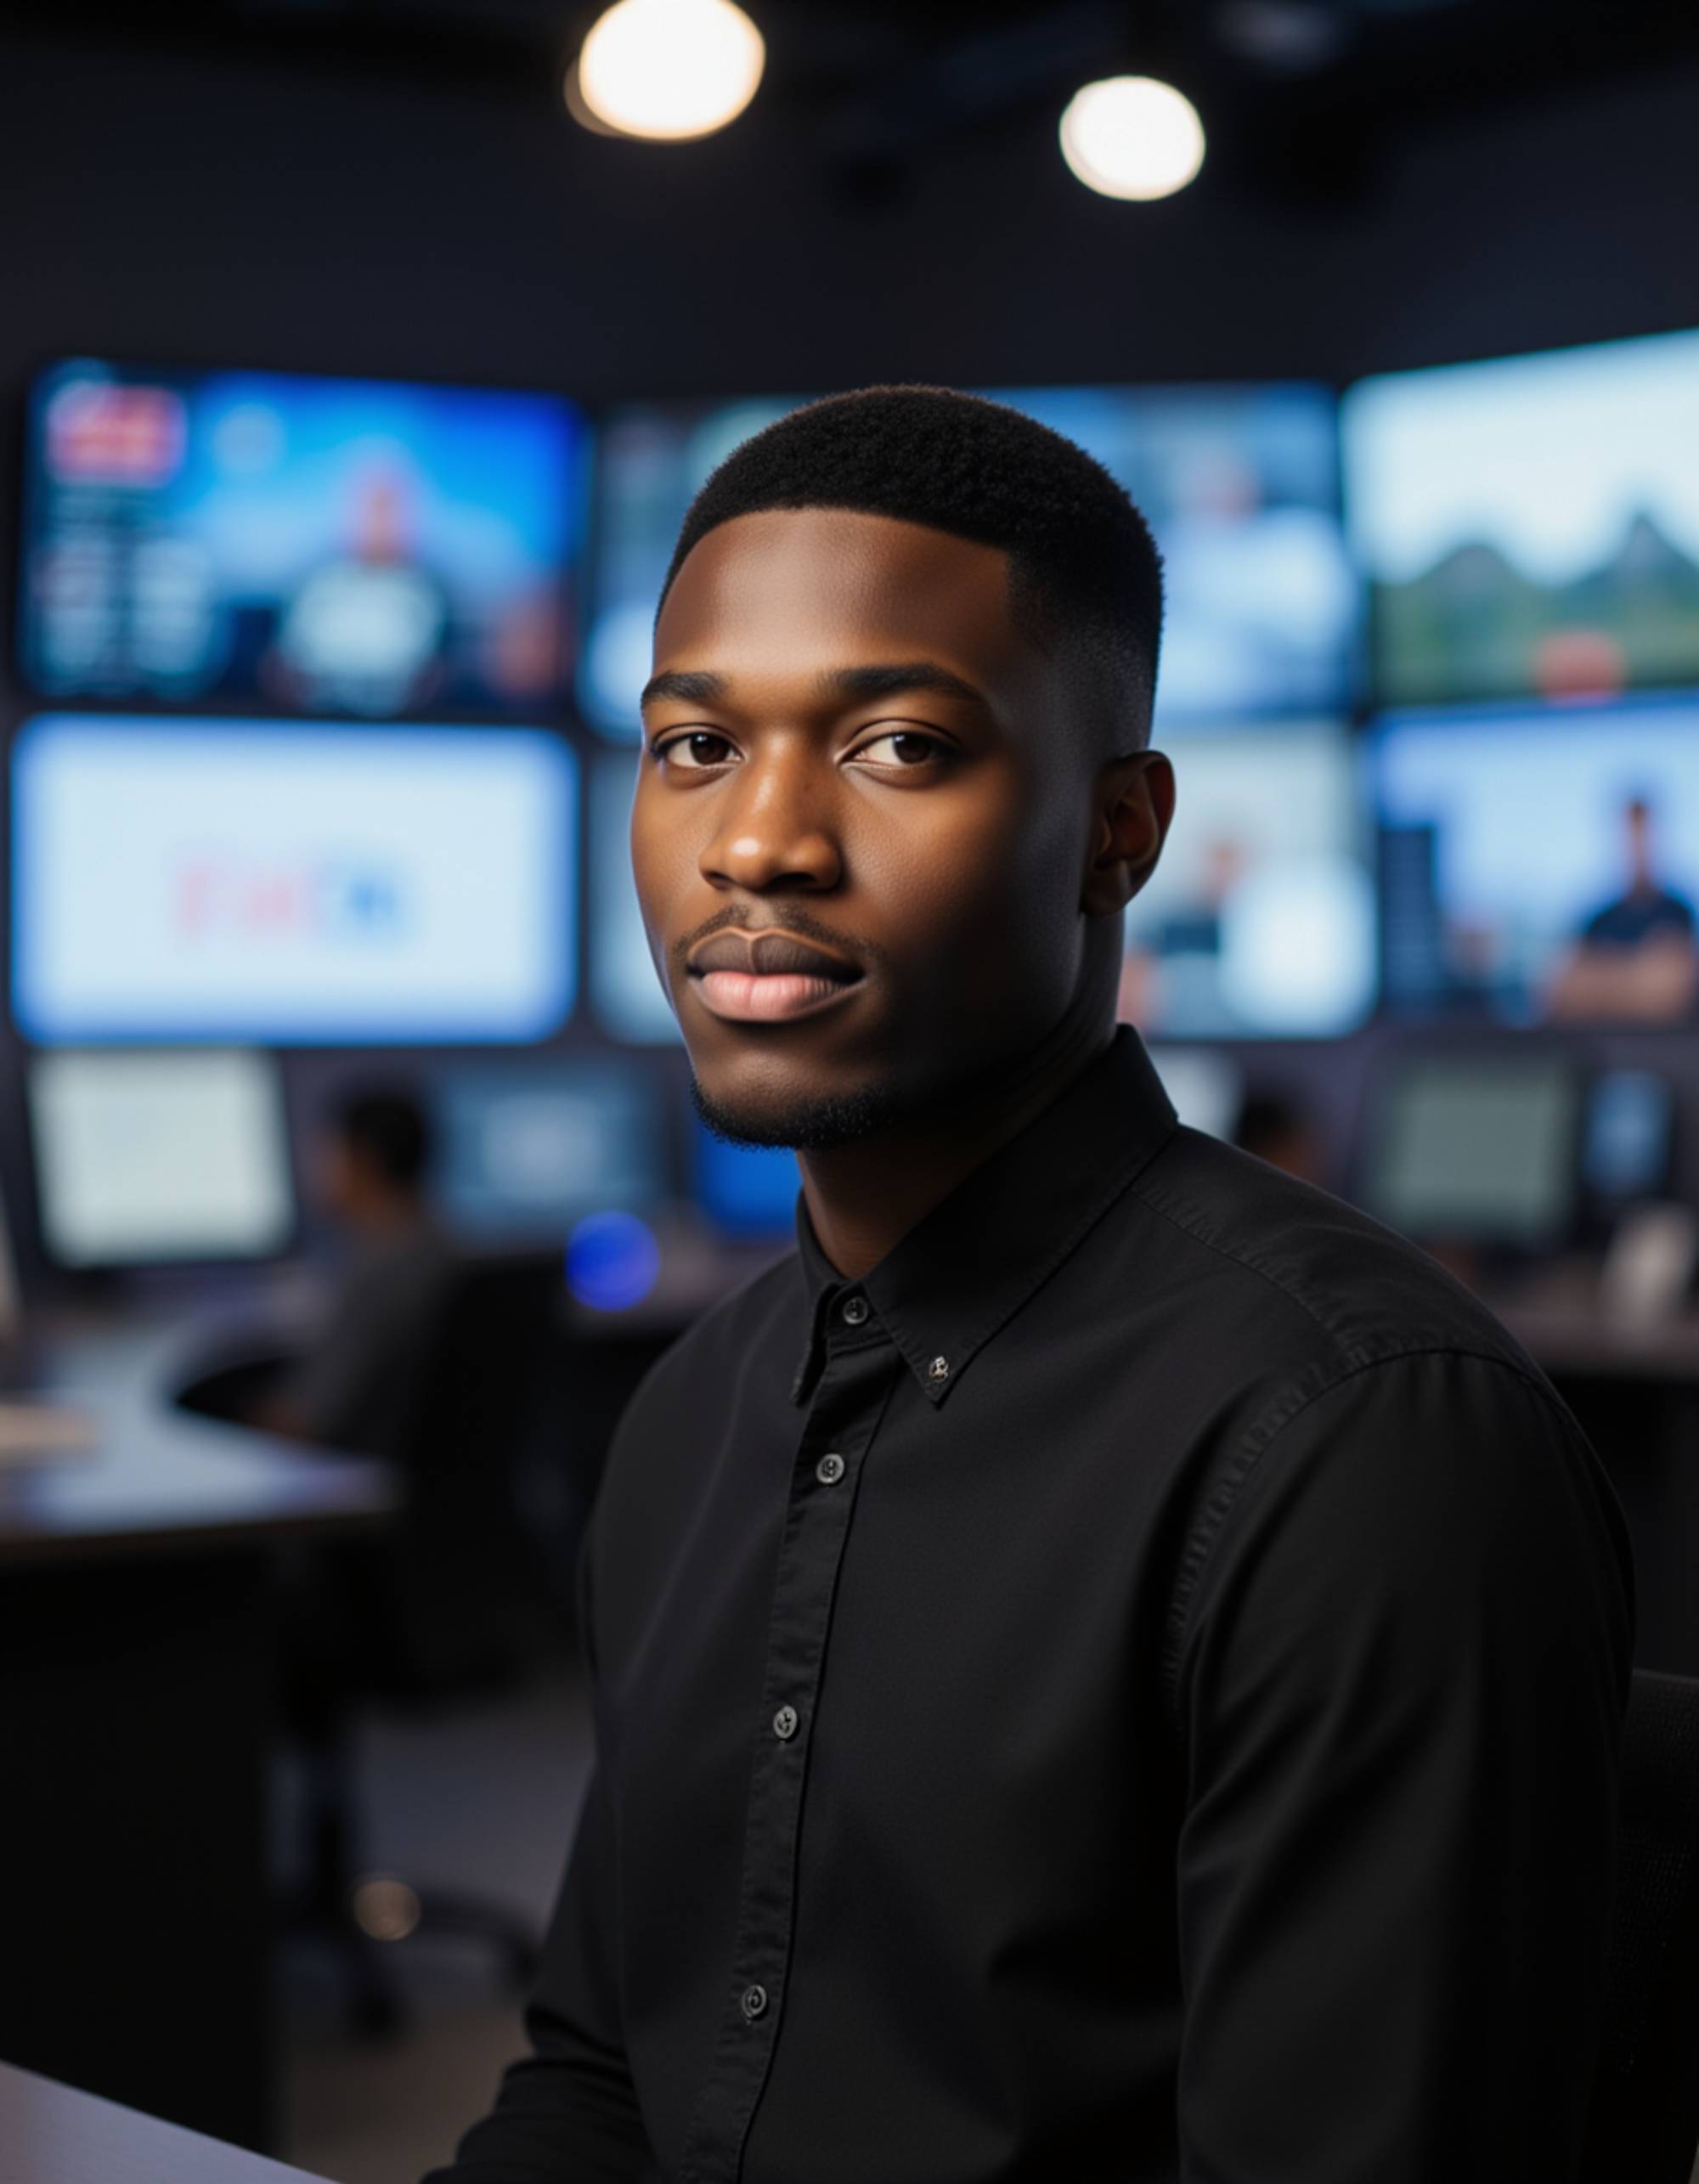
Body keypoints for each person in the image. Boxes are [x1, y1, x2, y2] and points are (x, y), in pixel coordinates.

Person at [427, 387, 1633, 2184]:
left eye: (898, 745)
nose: (755, 844)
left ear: (1119, 831)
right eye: (693, 747)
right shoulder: (694, 1413)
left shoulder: (1359, 1446)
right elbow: (607, 2081)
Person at [259, 1084, 459, 1461]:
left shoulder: (378, 1275)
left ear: (361, 1160)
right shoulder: (450, 1253)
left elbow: (303, 1423)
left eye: (325, 1153)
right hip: (441, 1484)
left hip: (359, 1490)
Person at [1545, 792, 1699, 1022]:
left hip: (1670, 1053)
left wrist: (1603, 977)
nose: (1637, 846)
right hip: (1604, 1051)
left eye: (1643, 835)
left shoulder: (1680, 913)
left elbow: (1674, 994)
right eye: (1630, 835)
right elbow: (1563, 994)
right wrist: (1643, 978)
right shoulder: (1598, 920)